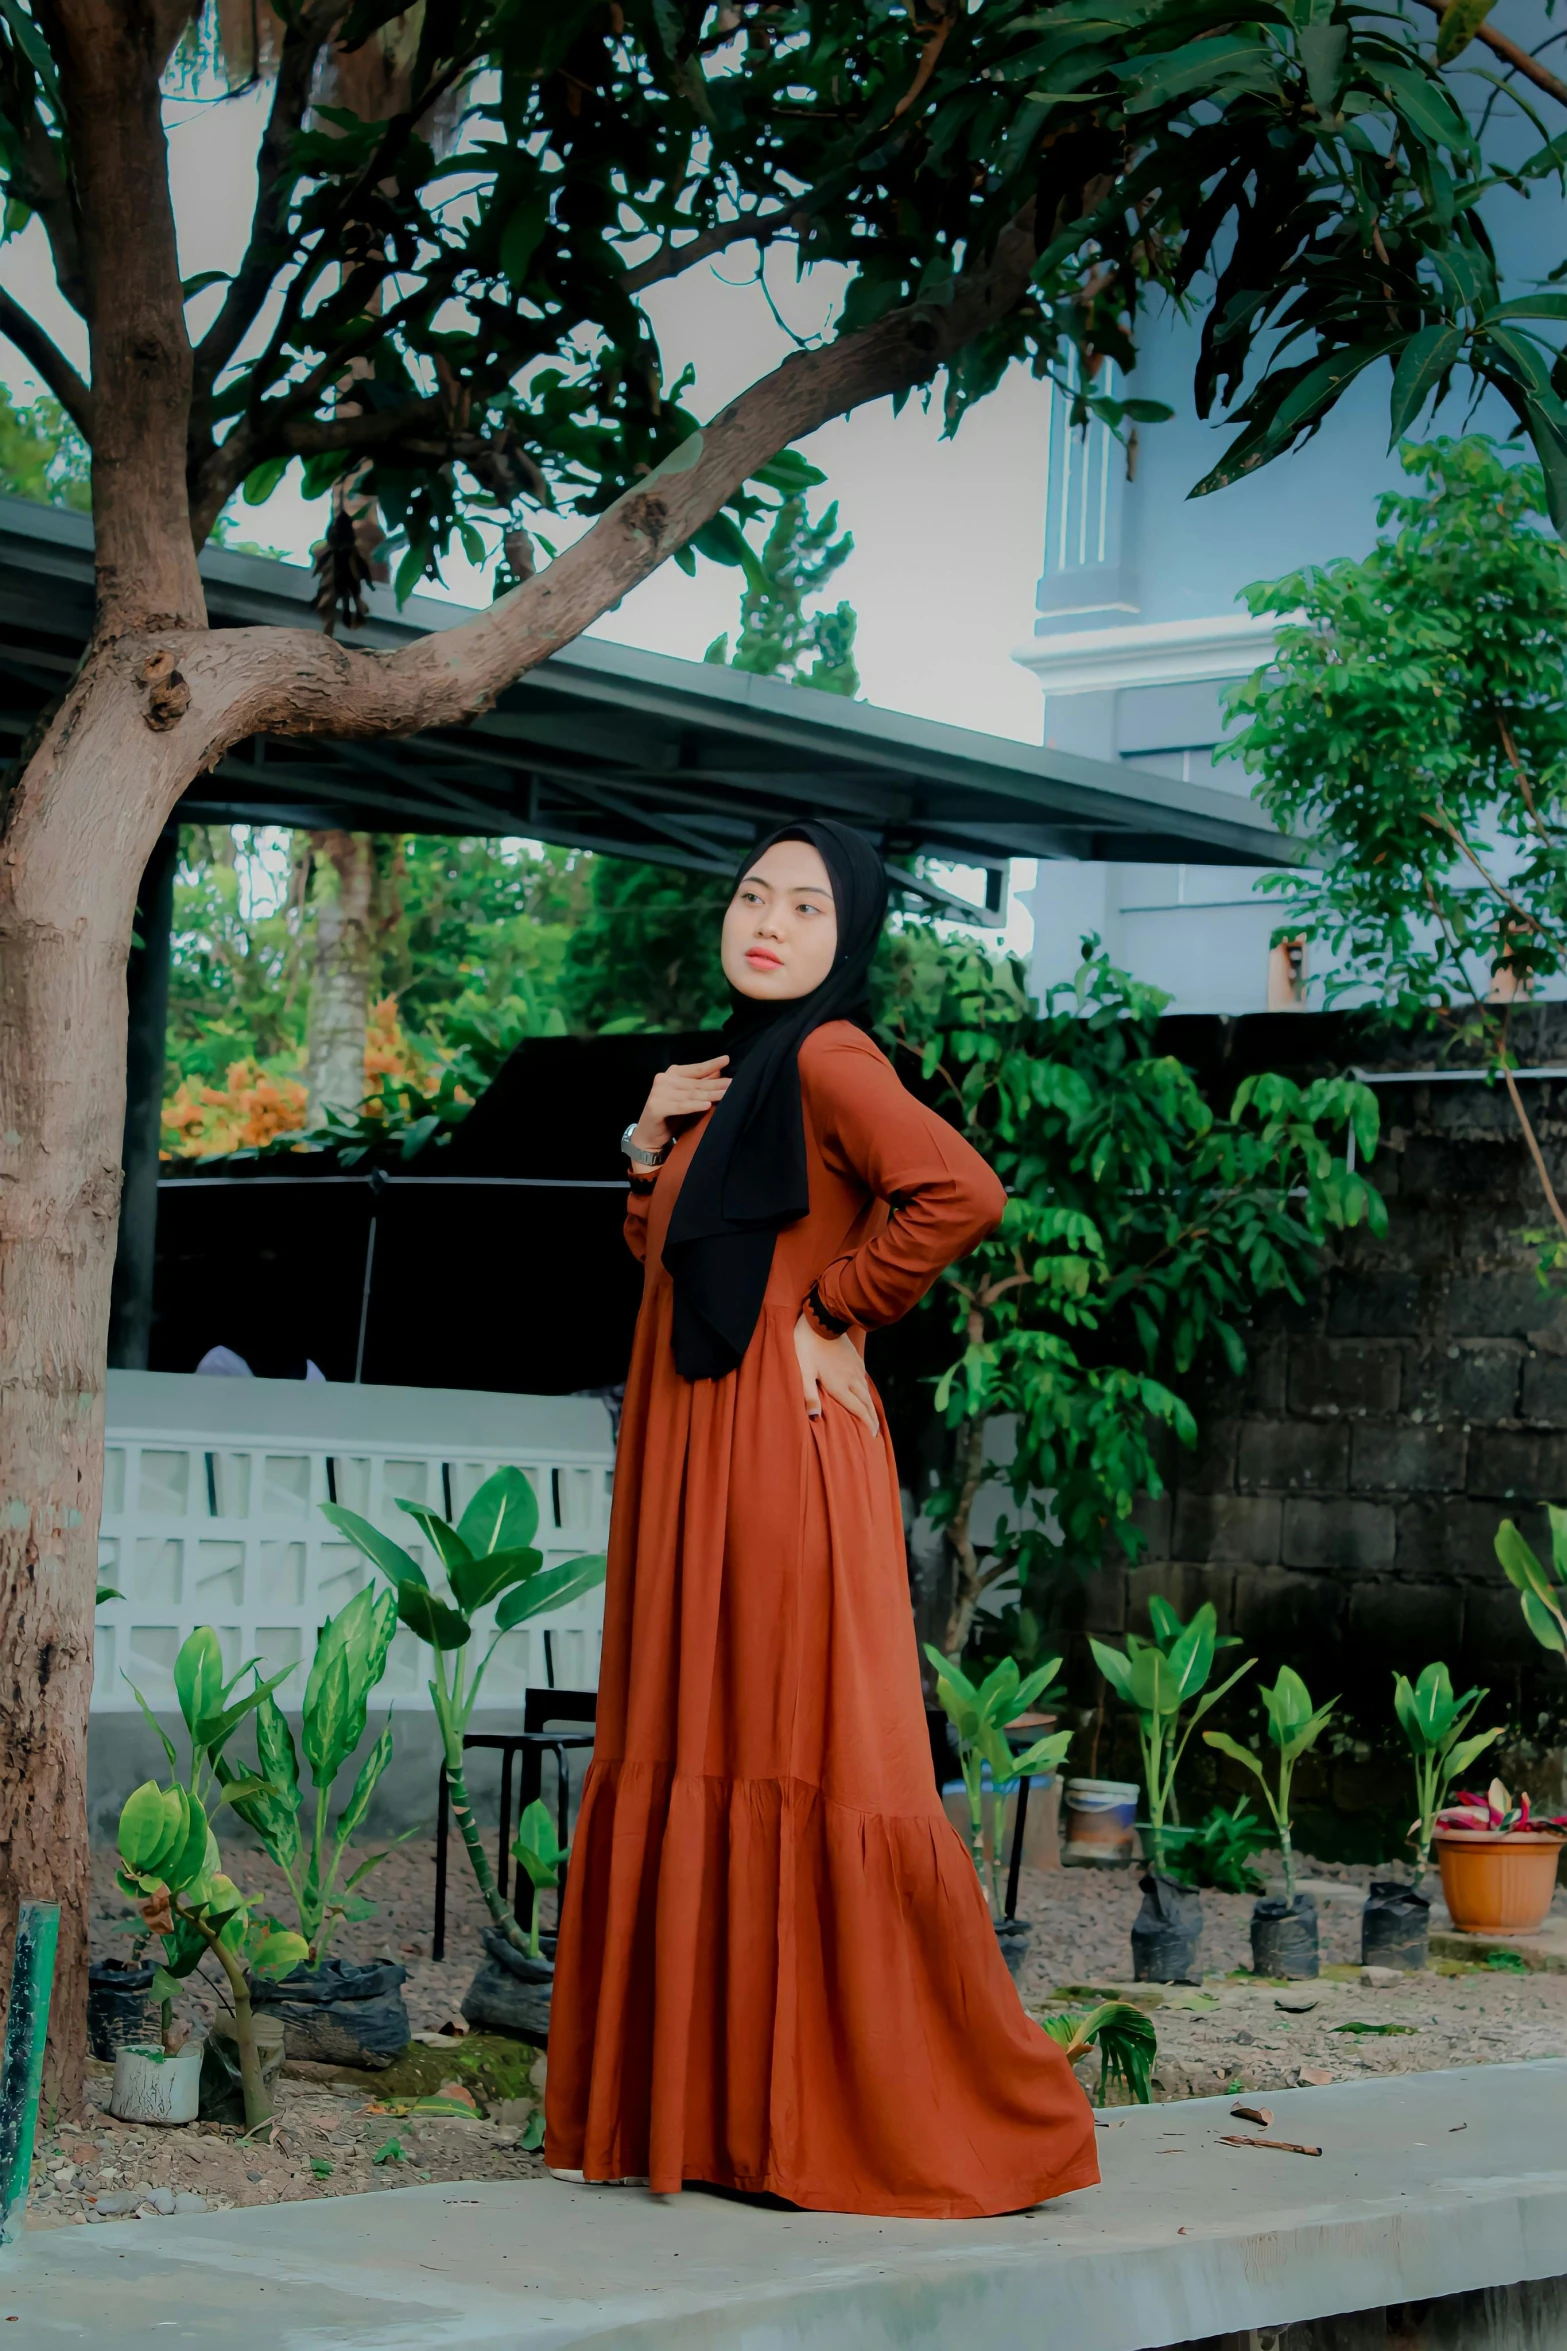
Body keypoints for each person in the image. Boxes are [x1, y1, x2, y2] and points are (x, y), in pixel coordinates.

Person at [544, 819, 1098, 2219]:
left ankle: (854, 2118)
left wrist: (840, 1310)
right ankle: (720, 2119)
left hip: (777, 1464)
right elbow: (673, 1257)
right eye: (750, 895)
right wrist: (642, 1137)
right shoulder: (731, 1079)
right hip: (692, 1456)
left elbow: (958, 1191)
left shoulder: (833, 1059)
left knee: (788, 1746)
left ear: (847, 935)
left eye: (804, 904)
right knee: (704, 1740)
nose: (770, 922)